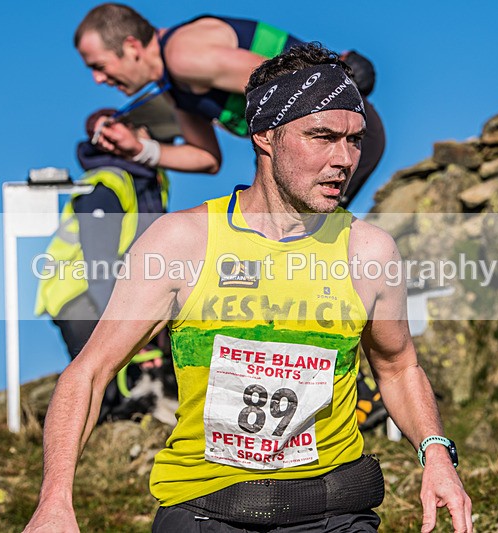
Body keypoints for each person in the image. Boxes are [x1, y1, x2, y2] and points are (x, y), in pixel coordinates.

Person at [24, 44, 471, 533]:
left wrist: (437, 455)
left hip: (332, 512)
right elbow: (88, 373)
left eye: (354, 140)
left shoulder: (368, 252)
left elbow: (399, 366)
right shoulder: (182, 243)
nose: (344, 159)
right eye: (321, 136)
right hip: (206, 510)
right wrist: (54, 503)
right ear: (264, 136)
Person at [73, 3, 385, 208]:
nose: (98, 79)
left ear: (131, 47)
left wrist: (340, 68)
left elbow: (291, 87)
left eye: (98, 65)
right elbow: (207, 158)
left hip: (338, 133)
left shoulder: (184, 56)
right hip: (305, 143)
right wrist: (139, 149)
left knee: (291, 243)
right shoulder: (173, 85)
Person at [34, 103, 178, 424]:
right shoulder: (105, 185)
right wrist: (127, 332)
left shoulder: (151, 181)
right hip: (80, 295)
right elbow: (100, 267)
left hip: (119, 291)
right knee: (101, 388)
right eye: (150, 131)